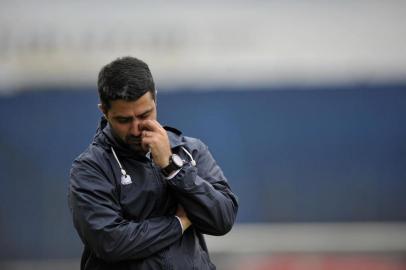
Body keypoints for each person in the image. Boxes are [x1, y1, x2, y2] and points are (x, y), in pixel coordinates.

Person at [68, 56, 239, 270]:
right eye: (124, 120)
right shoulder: (90, 168)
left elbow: (222, 219)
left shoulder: (189, 150)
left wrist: (172, 167)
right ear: (104, 111)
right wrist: (178, 224)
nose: (136, 128)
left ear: (155, 99)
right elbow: (111, 242)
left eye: (144, 115)